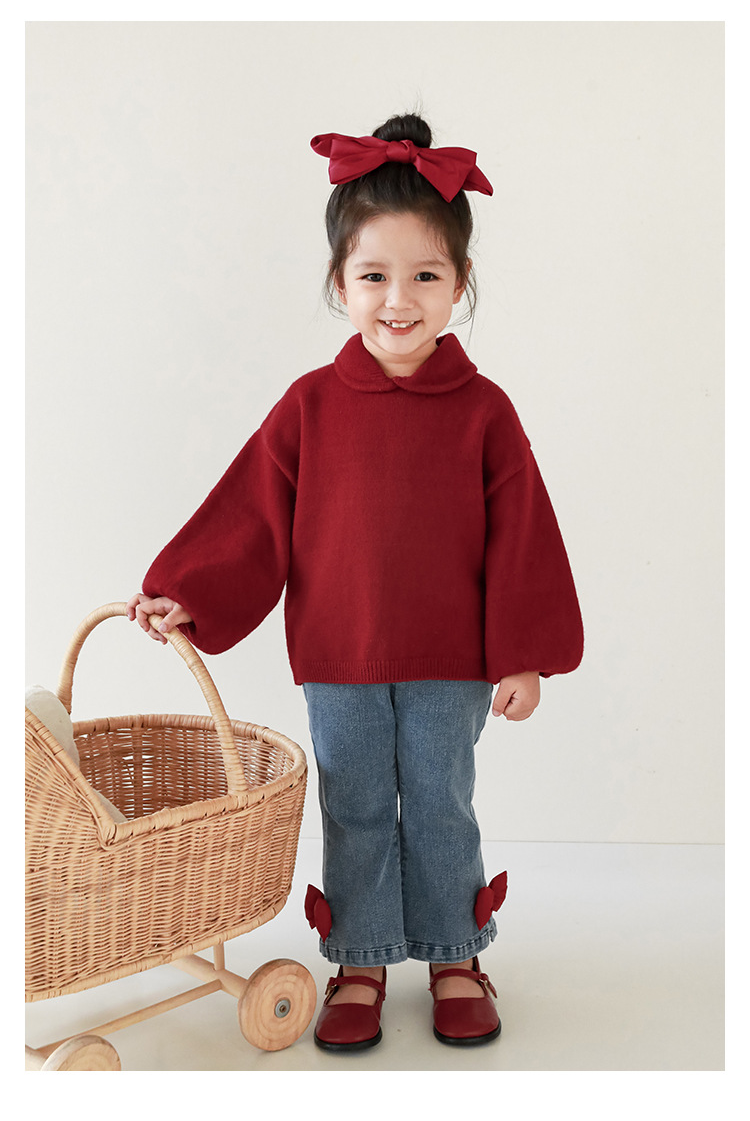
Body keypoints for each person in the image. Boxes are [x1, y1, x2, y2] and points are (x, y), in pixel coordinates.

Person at [127, 112, 583, 1052]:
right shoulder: (310, 405)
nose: (398, 300)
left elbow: (523, 536)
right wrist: (188, 590)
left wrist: (524, 655)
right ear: (340, 282)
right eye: (374, 276)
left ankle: (456, 954)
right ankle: (363, 960)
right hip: (339, 657)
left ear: (460, 282)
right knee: (358, 806)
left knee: (442, 804)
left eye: (426, 276)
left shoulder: (486, 412)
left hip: (453, 660)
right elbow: (252, 516)